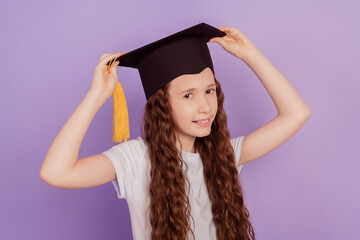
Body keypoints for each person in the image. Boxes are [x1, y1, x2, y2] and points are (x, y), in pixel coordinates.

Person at [40, 23, 311, 240]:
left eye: (209, 91)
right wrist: (97, 95)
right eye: (188, 96)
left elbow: (296, 114)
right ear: (162, 105)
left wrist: (250, 55)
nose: (205, 106)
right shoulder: (135, 159)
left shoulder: (224, 156)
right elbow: (56, 172)